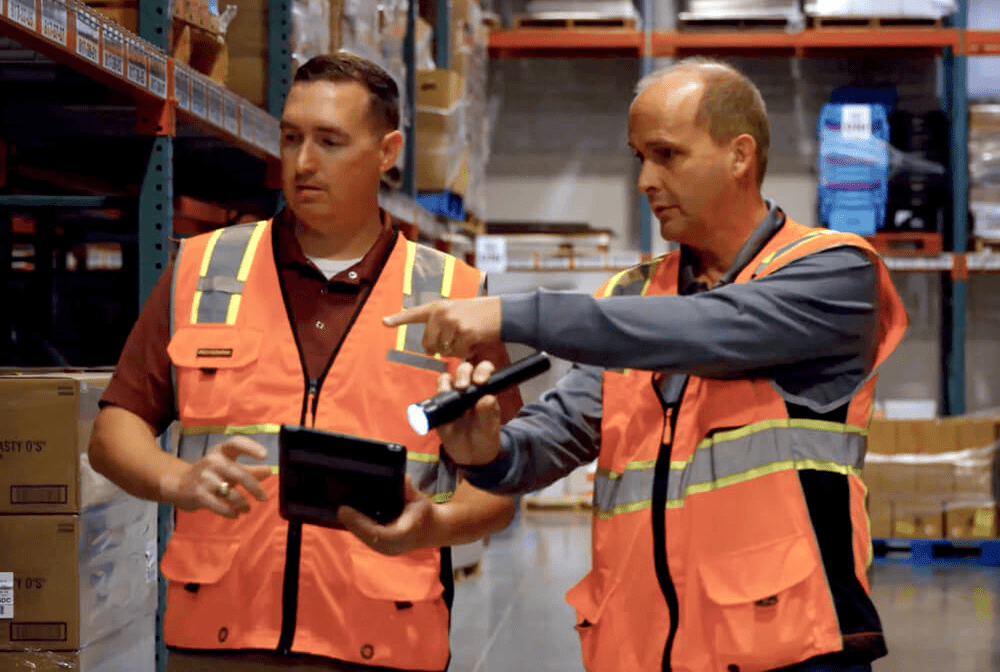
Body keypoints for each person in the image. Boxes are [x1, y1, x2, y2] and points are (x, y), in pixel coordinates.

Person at [385, 58, 908, 672]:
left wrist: (511, 313)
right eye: (639, 157)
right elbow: (554, 437)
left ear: (740, 156)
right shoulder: (635, 295)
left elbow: (705, 329)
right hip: (643, 651)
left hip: (789, 648)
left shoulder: (833, 273)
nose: (645, 180)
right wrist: (486, 450)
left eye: (666, 155)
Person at [89, 52, 520, 672]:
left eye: (330, 141)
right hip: (219, 642)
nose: (303, 162)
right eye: (291, 138)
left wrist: (433, 524)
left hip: (381, 642)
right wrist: (175, 480)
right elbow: (114, 429)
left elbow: (501, 487)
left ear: (387, 151)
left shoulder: (453, 297)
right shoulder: (204, 270)